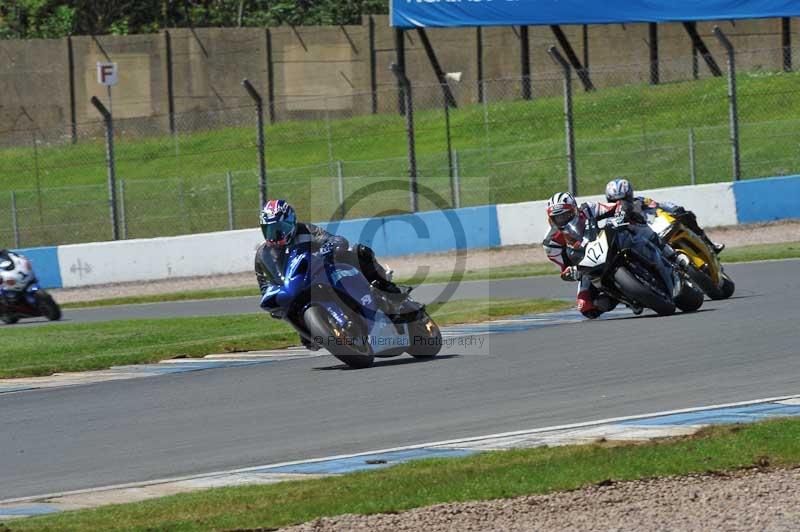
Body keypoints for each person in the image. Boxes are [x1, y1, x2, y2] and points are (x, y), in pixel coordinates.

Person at [254, 199, 407, 349]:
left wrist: (330, 246)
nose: (274, 235)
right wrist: (273, 301)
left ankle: (386, 287)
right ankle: (313, 331)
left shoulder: (307, 230)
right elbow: (264, 285)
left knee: (357, 251)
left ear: (291, 222)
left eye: (279, 228)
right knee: (304, 335)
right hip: (296, 287)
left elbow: (334, 239)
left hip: (320, 270)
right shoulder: (262, 255)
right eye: (269, 230)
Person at [543, 192, 630, 319]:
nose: (562, 219)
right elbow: (565, 268)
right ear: (551, 218)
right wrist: (570, 272)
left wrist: (619, 215)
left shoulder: (587, 209)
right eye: (558, 217)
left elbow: (616, 207)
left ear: (575, 209)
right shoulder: (551, 242)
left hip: (609, 244)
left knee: (632, 228)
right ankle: (621, 297)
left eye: (566, 215)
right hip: (587, 263)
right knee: (585, 307)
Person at [604, 178, 724, 254]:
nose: (620, 204)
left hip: (656, 228)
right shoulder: (610, 217)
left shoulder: (639, 201)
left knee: (686, 215)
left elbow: (658, 206)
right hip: (641, 243)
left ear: (630, 196)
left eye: (623, 199)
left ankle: (709, 244)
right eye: (615, 201)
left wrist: (675, 210)